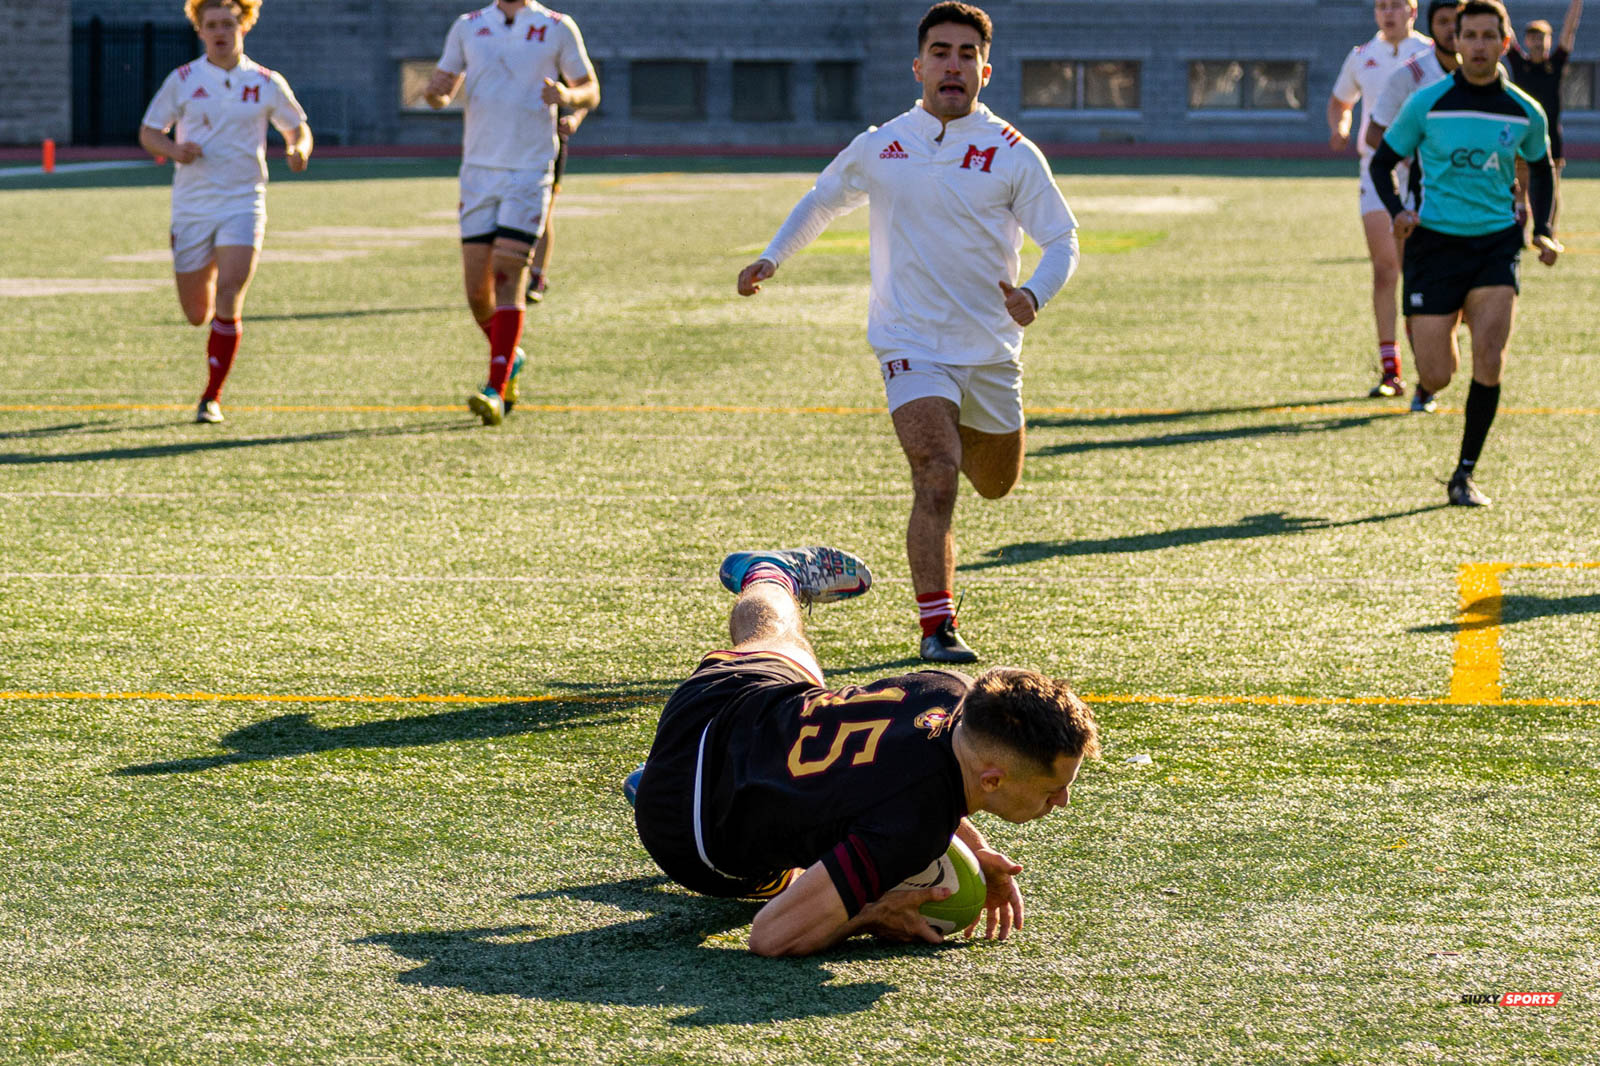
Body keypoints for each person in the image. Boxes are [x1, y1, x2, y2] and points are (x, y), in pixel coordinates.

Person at [736, 2, 1080, 664]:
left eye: (966, 55)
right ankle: (936, 626)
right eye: (940, 53)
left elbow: (1062, 239)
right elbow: (823, 199)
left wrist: (1034, 293)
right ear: (918, 66)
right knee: (936, 472)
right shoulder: (882, 144)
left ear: (985, 71)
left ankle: (967, 447)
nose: (953, 65)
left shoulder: (1013, 153)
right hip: (909, 343)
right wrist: (773, 257)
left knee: (995, 483)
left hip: (990, 351)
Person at [630, 545, 1100, 958]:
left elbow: (909, 776)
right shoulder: (909, 829)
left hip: (717, 701)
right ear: (992, 780)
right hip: (687, 835)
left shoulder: (952, 689)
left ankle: (769, 575)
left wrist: (978, 850)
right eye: (1053, 789)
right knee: (809, 886)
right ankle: (654, 783)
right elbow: (769, 936)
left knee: (782, 641)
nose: (1062, 801)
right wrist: (874, 914)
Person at [1369, 0, 1561, 508]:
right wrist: (1398, 211)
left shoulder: (1524, 110)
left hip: (1496, 244)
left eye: (1487, 36)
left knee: (1490, 359)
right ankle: (1441, 330)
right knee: (1437, 374)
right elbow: (1382, 163)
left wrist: (1543, 229)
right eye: (1468, 35)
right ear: (1455, 42)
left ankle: (1465, 473)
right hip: (1434, 245)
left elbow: (1541, 167)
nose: (1477, 45)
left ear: (1504, 43)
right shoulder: (1426, 104)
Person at [424, 0, 599, 426]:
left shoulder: (557, 26)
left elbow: (591, 89)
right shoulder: (467, 26)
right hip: (478, 172)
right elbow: (441, 88)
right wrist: (435, 93)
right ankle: (510, 357)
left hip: (529, 170)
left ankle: (495, 389)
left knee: (507, 273)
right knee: (476, 292)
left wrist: (567, 96)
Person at [138, 0, 312, 424]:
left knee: (231, 291)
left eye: (228, 24)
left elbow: (298, 128)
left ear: (244, 26)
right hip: (193, 205)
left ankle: (211, 396)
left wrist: (298, 149)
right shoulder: (183, 79)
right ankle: (208, 270)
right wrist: (175, 150)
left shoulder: (266, 82)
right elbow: (149, 132)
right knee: (196, 314)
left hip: (243, 200)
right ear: (200, 31)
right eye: (211, 25)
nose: (220, 32)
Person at [1328, 0, 1435, 399]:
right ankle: (1392, 371)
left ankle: (1430, 366)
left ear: (1413, 10)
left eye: (1396, 6)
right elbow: (1340, 101)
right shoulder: (1362, 55)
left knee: (1419, 271)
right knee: (1385, 269)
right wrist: (1340, 128)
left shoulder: (1430, 53)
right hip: (1377, 171)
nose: (1388, 13)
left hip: (1424, 172)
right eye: (1381, 6)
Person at [1365, 0, 1465, 413]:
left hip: (1481, 213)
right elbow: (1375, 135)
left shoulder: (1491, 77)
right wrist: (1410, 155)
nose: (1453, 31)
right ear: (1431, 25)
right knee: (1425, 302)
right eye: (1444, 22)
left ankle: (1440, 372)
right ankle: (1425, 377)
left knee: (1475, 305)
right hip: (1423, 208)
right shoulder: (1412, 76)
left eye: (1460, 23)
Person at [1505, 0, 1583, 235]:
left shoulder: (1555, 64)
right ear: (1527, 41)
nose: (1538, 42)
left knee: (1551, 187)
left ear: (1549, 40)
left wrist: (1577, 4)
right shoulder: (1519, 64)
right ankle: (1519, 232)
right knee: (1520, 186)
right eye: (1533, 38)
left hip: (1550, 138)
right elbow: (1504, 25)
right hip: (1521, 134)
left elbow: (1569, 30)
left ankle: (1549, 232)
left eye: (1542, 38)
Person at [525, 99, 589, 304]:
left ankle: (537, 277)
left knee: (542, 213)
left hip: (548, 149)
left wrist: (575, 118)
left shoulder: (557, 74)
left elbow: (587, 92)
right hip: (508, 148)